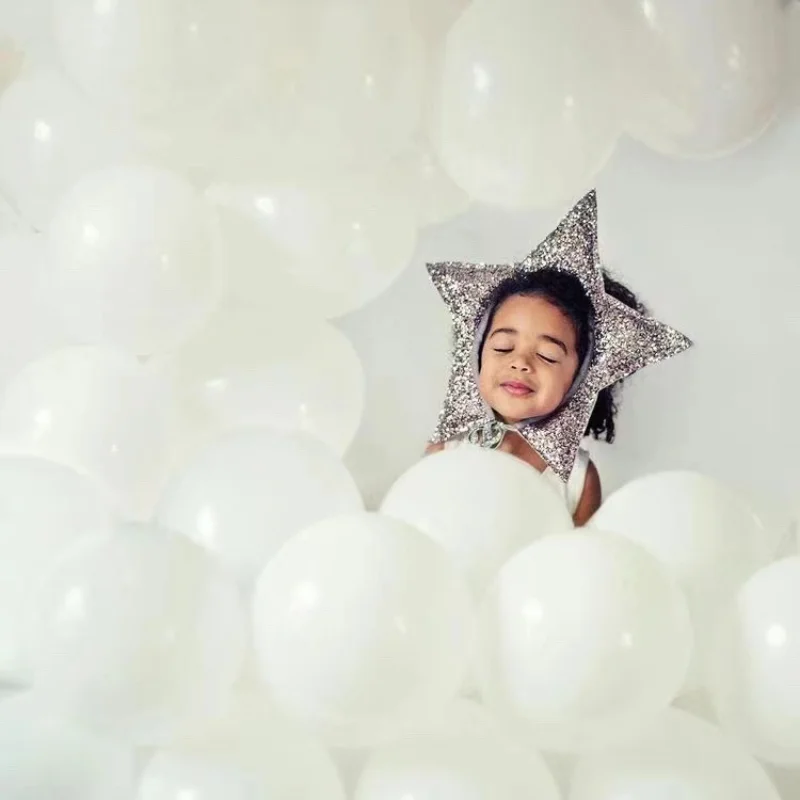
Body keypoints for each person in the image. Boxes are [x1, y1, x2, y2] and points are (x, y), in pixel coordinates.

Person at [425, 266, 645, 526]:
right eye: (503, 347)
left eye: (547, 355)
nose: (520, 363)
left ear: (581, 379)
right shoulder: (447, 448)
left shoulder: (578, 479)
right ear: (477, 356)